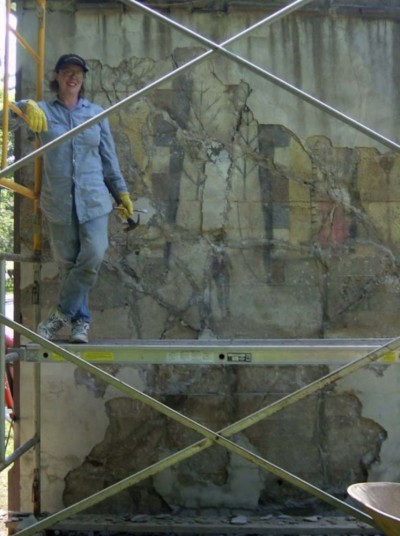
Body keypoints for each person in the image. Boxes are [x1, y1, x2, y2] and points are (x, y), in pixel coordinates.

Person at [16, 53, 134, 343]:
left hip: (94, 201)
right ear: (56, 76)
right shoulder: (42, 111)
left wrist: (122, 193)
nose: (73, 76)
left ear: (83, 78)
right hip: (59, 203)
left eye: (78, 72)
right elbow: (6, 119)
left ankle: (60, 315)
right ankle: (81, 322)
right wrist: (23, 105)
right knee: (69, 265)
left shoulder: (96, 114)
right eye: (67, 71)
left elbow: (109, 159)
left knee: (93, 255)